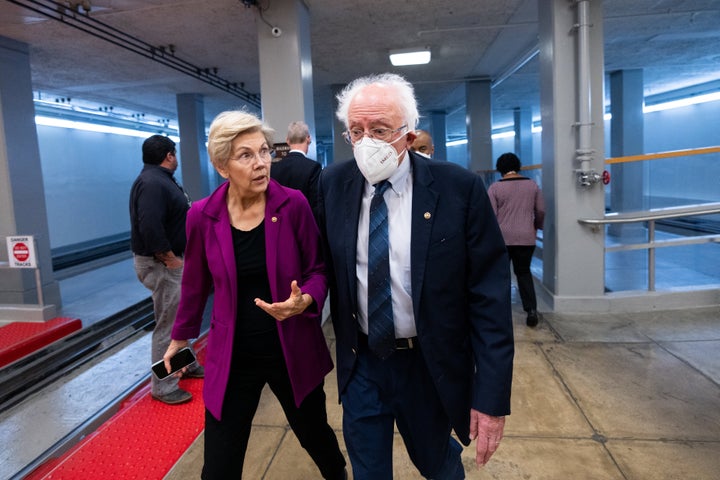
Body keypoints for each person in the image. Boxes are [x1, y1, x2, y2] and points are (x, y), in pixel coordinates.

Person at [317, 73, 514, 479]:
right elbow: (323, 264)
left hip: (427, 364)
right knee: (367, 471)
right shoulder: (333, 184)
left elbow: (489, 297)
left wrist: (491, 396)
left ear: (408, 135)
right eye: (356, 131)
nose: (367, 141)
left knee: (438, 464)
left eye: (380, 130)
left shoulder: (458, 189)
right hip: (363, 363)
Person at [162, 110, 346, 479]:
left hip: (291, 348)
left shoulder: (292, 204)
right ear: (221, 165)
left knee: (316, 437)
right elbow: (195, 284)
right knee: (219, 464)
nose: (262, 164)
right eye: (246, 155)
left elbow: (318, 271)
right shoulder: (202, 215)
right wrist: (178, 339)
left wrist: (305, 300)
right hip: (232, 356)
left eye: (264, 152)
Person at [129, 134, 203, 406]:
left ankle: (186, 364)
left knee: (178, 318)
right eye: (175, 154)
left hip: (164, 261)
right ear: (170, 155)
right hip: (160, 263)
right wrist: (170, 258)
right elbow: (149, 225)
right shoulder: (152, 183)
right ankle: (163, 386)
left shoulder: (158, 179)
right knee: (168, 325)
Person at [487, 152, 545, 327]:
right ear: (518, 166)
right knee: (524, 273)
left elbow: (490, 215)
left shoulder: (495, 188)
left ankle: (500, 312)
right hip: (526, 237)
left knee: (501, 275)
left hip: (502, 239)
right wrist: (536, 226)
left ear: (500, 168)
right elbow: (541, 210)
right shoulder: (532, 186)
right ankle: (531, 310)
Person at [270, 120, 322, 217]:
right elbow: (316, 205)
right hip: (304, 224)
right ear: (308, 139)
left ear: (288, 140)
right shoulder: (314, 168)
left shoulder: (273, 169)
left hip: (281, 224)